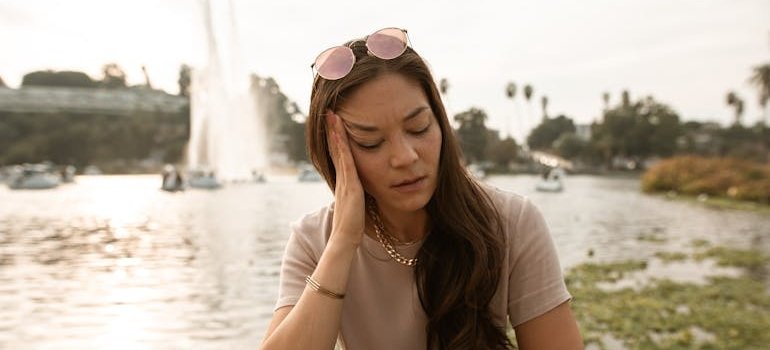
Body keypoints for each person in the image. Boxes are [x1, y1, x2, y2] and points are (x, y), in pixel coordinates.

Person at [262, 27, 582, 349]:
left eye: (419, 128)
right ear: (334, 152)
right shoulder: (314, 240)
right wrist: (343, 242)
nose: (405, 157)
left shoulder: (512, 221)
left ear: (439, 120)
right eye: (371, 142)